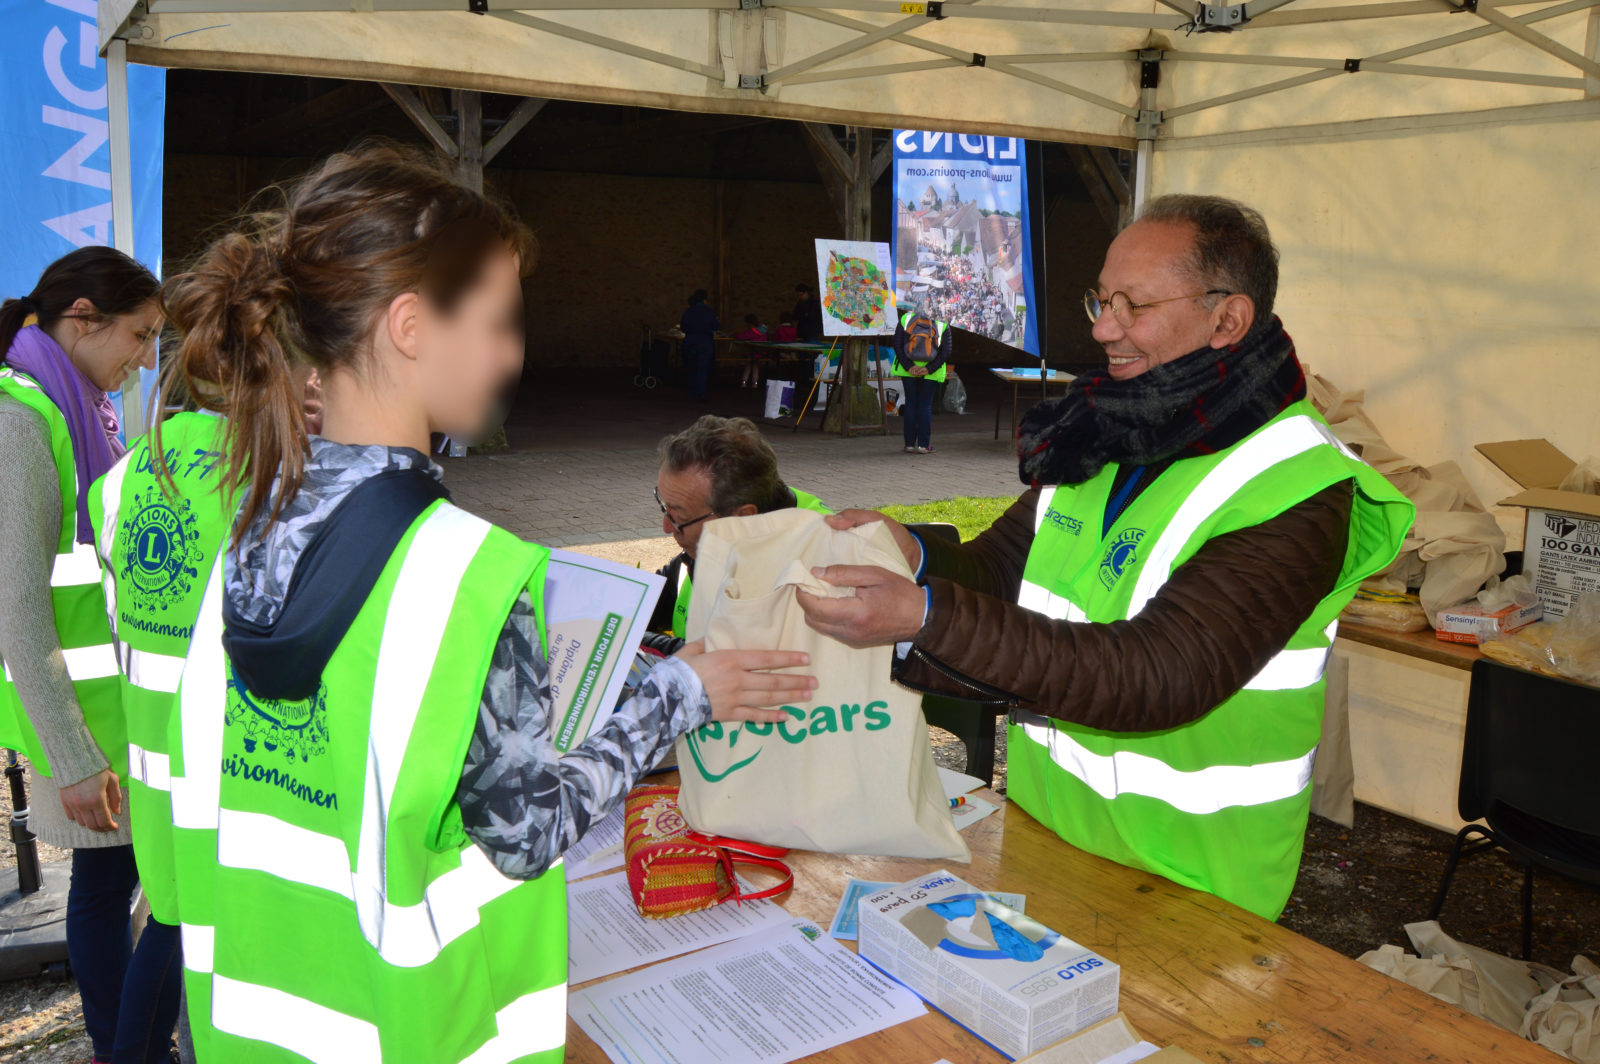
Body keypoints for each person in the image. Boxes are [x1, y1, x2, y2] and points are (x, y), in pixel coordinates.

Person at [155, 144, 814, 1062]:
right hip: (421, 1029)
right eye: (499, 322)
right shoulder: (465, 572)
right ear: (410, 326)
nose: (512, 353)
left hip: (253, 1025)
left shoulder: (246, 524)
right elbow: (525, 833)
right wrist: (680, 693)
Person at [795, 195, 1415, 922]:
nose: (1102, 328)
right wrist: (916, 556)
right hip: (1048, 837)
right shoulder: (1108, 431)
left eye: (1134, 306)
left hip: (1196, 887)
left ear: (1228, 320)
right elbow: (1001, 573)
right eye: (1102, 299)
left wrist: (926, 617)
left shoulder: (1298, 483)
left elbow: (1162, 673)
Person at [0, 247, 175, 1064]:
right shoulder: (22, 421)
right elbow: (17, 609)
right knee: (127, 893)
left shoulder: (76, 408)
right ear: (82, 318)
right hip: (82, 724)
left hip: (110, 711)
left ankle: (122, 1044)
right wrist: (71, 757)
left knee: (115, 888)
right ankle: (124, 1047)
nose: (146, 360)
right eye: (139, 335)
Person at [650, 415, 831, 636]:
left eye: (679, 517)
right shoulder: (726, 530)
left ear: (742, 517)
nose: (667, 527)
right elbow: (653, 597)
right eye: (664, 507)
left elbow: (729, 651)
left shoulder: (810, 576)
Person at [892, 300, 950, 455]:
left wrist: (909, 366)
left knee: (911, 403)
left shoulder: (906, 319)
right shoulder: (942, 322)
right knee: (925, 405)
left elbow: (897, 344)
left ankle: (909, 445)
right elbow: (946, 351)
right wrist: (928, 369)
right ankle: (923, 445)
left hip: (908, 370)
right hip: (931, 372)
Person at [679, 289, 719, 401]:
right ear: (705, 299)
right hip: (705, 342)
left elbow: (683, 327)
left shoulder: (689, 311)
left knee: (692, 368)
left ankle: (692, 392)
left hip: (690, 341)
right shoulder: (709, 312)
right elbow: (716, 326)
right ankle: (701, 392)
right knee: (702, 368)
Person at [733, 314, 767, 389]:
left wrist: (734, 335)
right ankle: (755, 383)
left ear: (749, 323)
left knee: (748, 366)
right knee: (755, 367)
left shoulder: (752, 331)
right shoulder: (763, 331)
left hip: (752, 352)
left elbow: (741, 336)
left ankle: (744, 382)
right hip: (760, 352)